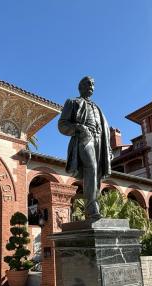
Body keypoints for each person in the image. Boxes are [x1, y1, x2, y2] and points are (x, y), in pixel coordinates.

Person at [58, 76, 112, 220]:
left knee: (98, 172)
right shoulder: (72, 102)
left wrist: (109, 149)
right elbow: (62, 125)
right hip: (84, 138)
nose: (91, 87)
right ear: (80, 87)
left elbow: (106, 130)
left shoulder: (97, 108)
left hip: (100, 140)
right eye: (88, 84)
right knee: (92, 167)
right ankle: (91, 205)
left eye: (93, 84)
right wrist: (79, 127)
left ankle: (93, 205)